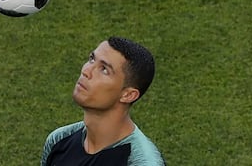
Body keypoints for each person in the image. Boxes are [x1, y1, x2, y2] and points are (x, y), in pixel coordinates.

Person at [41, 36, 166, 165]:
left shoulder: (143, 162)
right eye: (91, 59)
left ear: (128, 95)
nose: (86, 71)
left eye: (104, 69)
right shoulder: (59, 140)